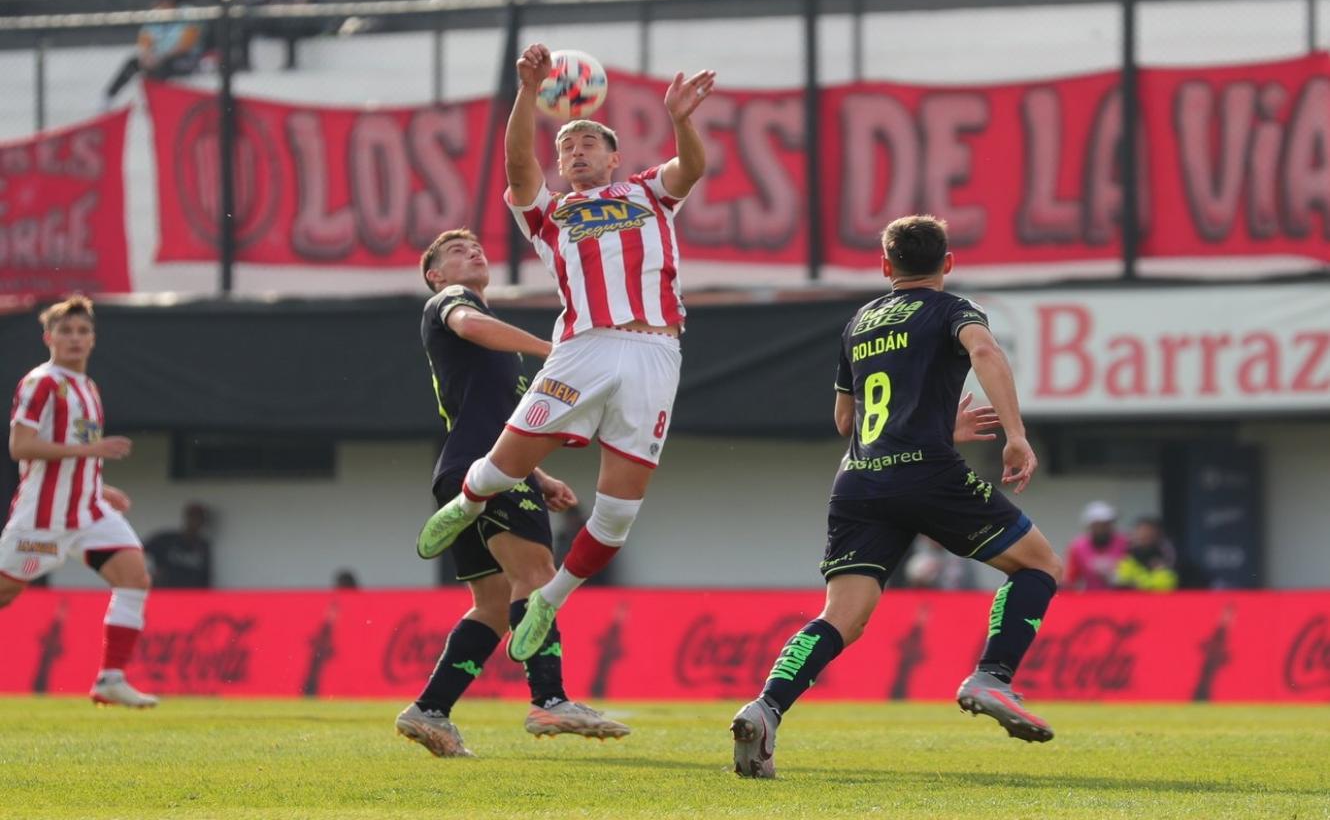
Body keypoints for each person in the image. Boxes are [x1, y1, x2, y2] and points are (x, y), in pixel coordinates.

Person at [729, 215, 1065, 778]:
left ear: (886, 266)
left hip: (859, 481)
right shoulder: (953, 309)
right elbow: (984, 352)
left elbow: (844, 419)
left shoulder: (859, 321)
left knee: (843, 616)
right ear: (949, 263)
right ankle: (993, 676)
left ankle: (765, 709)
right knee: (1039, 565)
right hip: (926, 472)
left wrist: (929, 423)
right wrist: (1015, 435)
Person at [416, 43, 716, 665]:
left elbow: (691, 168)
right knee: (503, 465)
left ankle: (552, 596)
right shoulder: (551, 213)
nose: (574, 153)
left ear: (613, 156)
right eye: (566, 148)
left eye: (586, 145)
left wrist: (682, 121)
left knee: (616, 516)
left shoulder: (648, 193)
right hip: (583, 345)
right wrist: (527, 92)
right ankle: (466, 503)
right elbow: (518, 164)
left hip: (658, 352)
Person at [395, 228, 629, 759]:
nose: (472, 251)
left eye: (476, 246)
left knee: (495, 605)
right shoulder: (451, 304)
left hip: (472, 469)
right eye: (456, 251)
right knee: (538, 577)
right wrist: (552, 350)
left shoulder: (492, 349)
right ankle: (551, 698)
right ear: (436, 275)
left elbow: (501, 419)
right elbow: (470, 323)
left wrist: (539, 478)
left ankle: (430, 711)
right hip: (485, 471)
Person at [0, 295, 158, 708]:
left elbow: (73, 451)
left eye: (82, 331)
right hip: (43, 517)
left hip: (88, 510)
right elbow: (21, 446)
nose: (74, 338)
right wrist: (89, 455)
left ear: (93, 339)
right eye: (65, 331)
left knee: (134, 578)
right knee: (5, 594)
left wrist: (97, 485)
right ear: (48, 337)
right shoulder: (42, 382)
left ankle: (110, 678)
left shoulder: (87, 387)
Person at [103, 0, 202, 104]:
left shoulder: (188, 15)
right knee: (133, 63)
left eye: (161, 1)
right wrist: (146, 55)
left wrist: (160, 57)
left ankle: (158, 100)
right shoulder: (157, 15)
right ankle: (107, 98)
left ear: (171, 1)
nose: (157, 5)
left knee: (161, 68)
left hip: (186, 59)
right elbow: (145, 39)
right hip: (157, 57)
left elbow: (185, 45)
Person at [143, 502, 213, 588]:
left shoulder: (203, 546)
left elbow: (205, 577)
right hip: (166, 593)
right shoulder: (167, 539)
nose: (196, 522)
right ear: (187, 518)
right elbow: (140, 551)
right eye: (193, 517)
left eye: (199, 518)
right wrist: (151, 573)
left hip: (189, 596)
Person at [1064, 500, 1128, 590]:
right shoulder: (1078, 546)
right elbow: (1071, 578)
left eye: (1108, 524)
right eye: (1100, 525)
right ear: (1090, 526)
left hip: (1121, 595)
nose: (1105, 528)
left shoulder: (1124, 542)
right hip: (1092, 596)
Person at [1113, 515, 1178, 591]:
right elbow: (1121, 582)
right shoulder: (1128, 558)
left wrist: (1139, 583)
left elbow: (1166, 584)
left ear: (1157, 535)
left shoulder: (1167, 556)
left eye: (1149, 531)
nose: (1144, 535)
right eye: (1141, 531)